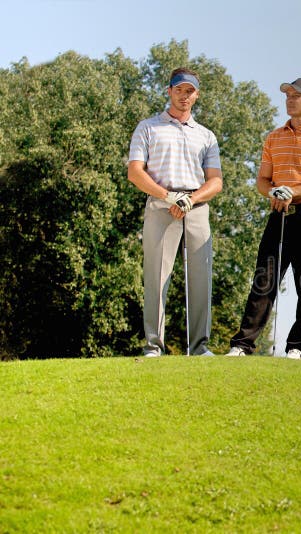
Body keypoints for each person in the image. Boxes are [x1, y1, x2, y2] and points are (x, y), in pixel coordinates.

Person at [227, 78, 301, 358]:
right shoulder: (274, 137)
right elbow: (262, 181)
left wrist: (294, 191)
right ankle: (243, 344)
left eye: (296, 96)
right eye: (287, 95)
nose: (289, 100)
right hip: (279, 215)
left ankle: (297, 346)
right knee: (264, 280)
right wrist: (275, 192)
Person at [127, 67, 223, 356]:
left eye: (190, 91)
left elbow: (215, 181)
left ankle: (200, 347)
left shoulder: (206, 136)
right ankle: (154, 346)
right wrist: (168, 196)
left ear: (197, 95)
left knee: (200, 277)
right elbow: (135, 173)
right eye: (179, 90)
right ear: (169, 91)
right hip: (161, 203)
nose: (185, 96)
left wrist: (190, 200)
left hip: (196, 207)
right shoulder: (148, 127)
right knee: (157, 277)